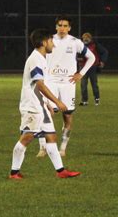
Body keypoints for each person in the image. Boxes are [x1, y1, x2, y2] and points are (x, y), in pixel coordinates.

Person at [9, 28, 81, 180]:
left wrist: (47, 103)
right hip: (32, 107)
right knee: (27, 137)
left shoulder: (41, 59)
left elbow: (40, 86)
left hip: (40, 106)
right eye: (50, 41)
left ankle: (60, 171)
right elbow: (39, 84)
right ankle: (14, 173)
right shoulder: (36, 59)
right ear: (43, 42)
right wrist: (57, 101)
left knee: (51, 136)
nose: (53, 45)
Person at [37, 15, 95, 158]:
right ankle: (43, 147)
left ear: (69, 28)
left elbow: (92, 57)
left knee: (67, 116)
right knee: (47, 114)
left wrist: (80, 74)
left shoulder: (75, 42)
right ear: (56, 26)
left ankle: (62, 148)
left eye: (65, 26)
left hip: (68, 84)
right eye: (60, 25)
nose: (62, 28)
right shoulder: (49, 40)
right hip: (50, 82)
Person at [79, 32, 108, 106]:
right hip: (83, 67)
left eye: (87, 38)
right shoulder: (80, 46)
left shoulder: (95, 45)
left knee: (94, 84)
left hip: (93, 67)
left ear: (90, 39)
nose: (85, 39)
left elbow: (104, 52)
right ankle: (84, 101)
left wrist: (102, 61)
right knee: (83, 84)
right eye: (84, 38)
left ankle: (97, 99)